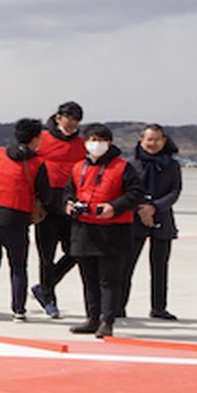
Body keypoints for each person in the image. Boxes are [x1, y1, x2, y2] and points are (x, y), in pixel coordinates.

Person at [63, 123, 142, 338]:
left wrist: (114, 207)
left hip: (112, 231)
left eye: (100, 140)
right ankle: (92, 317)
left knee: (109, 279)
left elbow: (136, 193)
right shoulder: (79, 167)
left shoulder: (123, 167)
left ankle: (108, 320)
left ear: (109, 143)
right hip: (84, 229)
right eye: (92, 140)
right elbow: (69, 191)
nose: (95, 144)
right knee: (88, 278)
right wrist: (69, 204)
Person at [0, 117, 44, 321]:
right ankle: (18, 310)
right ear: (34, 140)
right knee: (18, 267)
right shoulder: (37, 163)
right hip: (17, 218)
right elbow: (45, 193)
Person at [30, 100, 85, 318]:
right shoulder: (42, 139)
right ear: (58, 117)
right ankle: (49, 299)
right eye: (68, 117)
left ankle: (43, 288)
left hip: (69, 203)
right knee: (46, 255)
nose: (72, 122)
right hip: (46, 204)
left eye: (76, 119)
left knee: (75, 252)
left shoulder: (81, 144)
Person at [121, 124, 182, 321]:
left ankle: (159, 307)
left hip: (162, 217)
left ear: (164, 141)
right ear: (141, 140)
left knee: (160, 266)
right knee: (126, 265)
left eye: (157, 139)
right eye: (149, 139)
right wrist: (141, 208)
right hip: (134, 218)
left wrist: (154, 207)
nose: (153, 143)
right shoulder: (130, 164)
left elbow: (174, 192)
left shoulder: (171, 165)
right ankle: (118, 305)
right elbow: (126, 190)